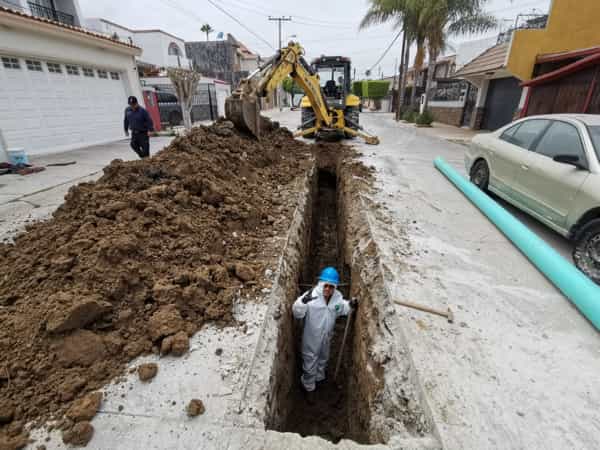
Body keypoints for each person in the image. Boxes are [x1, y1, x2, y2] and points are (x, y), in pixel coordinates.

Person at [292, 267, 358, 403]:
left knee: (323, 358)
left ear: (335, 287)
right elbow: (297, 313)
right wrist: (302, 302)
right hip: (311, 338)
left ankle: (319, 378)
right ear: (321, 284)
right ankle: (308, 387)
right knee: (310, 362)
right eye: (325, 286)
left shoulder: (337, 298)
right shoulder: (311, 296)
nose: (328, 289)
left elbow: (342, 308)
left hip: (326, 338)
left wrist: (350, 305)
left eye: (331, 286)